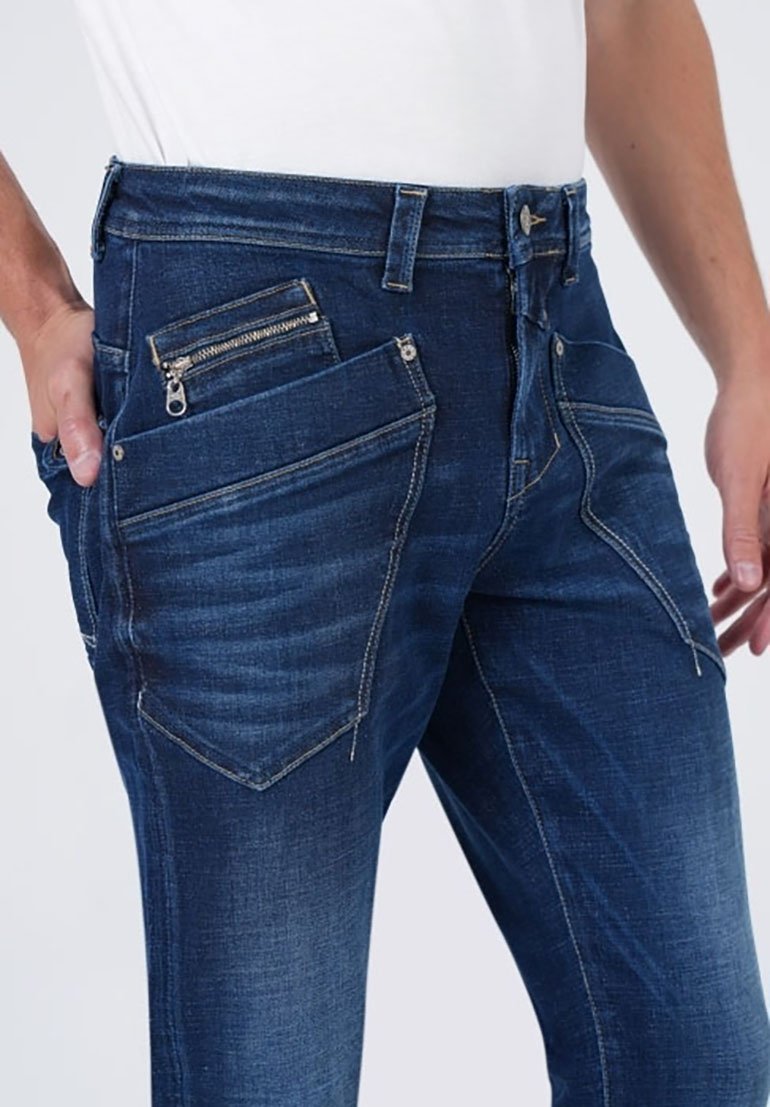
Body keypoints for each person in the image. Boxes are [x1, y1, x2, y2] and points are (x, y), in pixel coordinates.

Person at [2, 1, 769, 1103]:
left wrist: (748, 355)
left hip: (557, 332)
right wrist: (33, 306)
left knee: (697, 1062)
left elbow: (626, 15)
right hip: (258, 350)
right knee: (270, 1074)